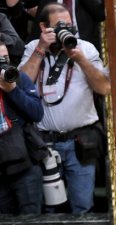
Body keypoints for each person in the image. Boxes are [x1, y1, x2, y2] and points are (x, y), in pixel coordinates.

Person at [19, 3, 110, 213]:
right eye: (60, 26)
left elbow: (104, 88)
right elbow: (21, 86)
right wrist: (40, 49)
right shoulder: (33, 47)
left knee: (82, 206)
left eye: (68, 26)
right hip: (43, 144)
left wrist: (80, 60)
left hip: (80, 143)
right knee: (49, 209)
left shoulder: (85, 48)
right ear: (43, 27)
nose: (65, 32)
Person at [0, 38, 45, 214]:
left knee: (32, 222)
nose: (3, 64)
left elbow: (37, 113)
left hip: (24, 164)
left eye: (6, 58)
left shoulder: (19, 79)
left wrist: (13, 91)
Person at [25, 0, 106, 55]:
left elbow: (100, 14)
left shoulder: (89, 49)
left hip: (84, 47)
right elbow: (29, 5)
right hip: (47, 44)